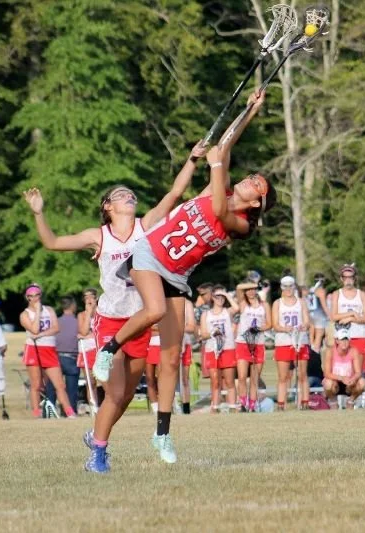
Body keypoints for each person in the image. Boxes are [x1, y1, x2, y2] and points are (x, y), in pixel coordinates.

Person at [93, 91, 274, 465]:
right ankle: (108, 350)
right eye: (252, 176)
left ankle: (161, 436)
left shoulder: (239, 223)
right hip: (148, 255)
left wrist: (216, 165)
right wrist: (250, 110)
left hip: (176, 273)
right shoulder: (216, 185)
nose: (251, 179)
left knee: (172, 358)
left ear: (257, 203)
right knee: (155, 309)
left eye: (258, 184)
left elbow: (220, 204)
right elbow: (224, 144)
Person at [25, 137, 208, 469]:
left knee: (123, 397)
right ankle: (98, 453)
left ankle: (96, 433)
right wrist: (39, 213)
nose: (129, 196)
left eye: (131, 194)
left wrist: (193, 159)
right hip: (111, 322)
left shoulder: (145, 227)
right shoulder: (99, 236)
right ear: (107, 206)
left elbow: (175, 195)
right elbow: (51, 242)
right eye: (121, 194)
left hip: (140, 321)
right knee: (116, 391)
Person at [19, 284, 74, 418]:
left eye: (37, 295)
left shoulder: (49, 310)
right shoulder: (25, 314)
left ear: (40, 296)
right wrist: (37, 312)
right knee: (36, 384)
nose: (35, 299)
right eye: (31, 296)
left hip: (49, 349)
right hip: (34, 349)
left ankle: (69, 412)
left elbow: (56, 328)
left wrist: (42, 335)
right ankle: (36, 413)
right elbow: (35, 329)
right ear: (27, 298)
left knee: (59, 384)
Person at [272, 276, 311, 410]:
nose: (288, 289)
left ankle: (305, 402)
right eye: (285, 286)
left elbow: (307, 321)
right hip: (283, 341)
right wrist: (285, 328)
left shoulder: (301, 302)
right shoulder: (278, 303)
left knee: (302, 374)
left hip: (300, 341)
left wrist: (303, 327)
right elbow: (275, 324)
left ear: (294, 286)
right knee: (283, 376)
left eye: (290, 286)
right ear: (282, 287)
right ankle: (281, 404)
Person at [200, 286, 238, 412]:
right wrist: (213, 333)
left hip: (227, 348)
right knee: (215, 381)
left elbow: (237, 308)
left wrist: (226, 294)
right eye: (217, 296)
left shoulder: (227, 312)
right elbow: (203, 334)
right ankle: (215, 407)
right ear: (212, 298)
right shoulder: (206, 314)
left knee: (229, 381)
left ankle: (232, 406)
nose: (220, 299)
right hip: (213, 350)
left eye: (222, 297)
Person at [235, 279, 271, 412]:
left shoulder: (264, 305)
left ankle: (252, 404)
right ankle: (243, 403)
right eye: (249, 289)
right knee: (242, 376)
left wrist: (259, 329)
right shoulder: (243, 303)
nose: (251, 291)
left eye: (254, 289)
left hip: (258, 343)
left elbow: (269, 324)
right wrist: (253, 284)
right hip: (243, 343)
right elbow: (239, 287)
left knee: (255, 378)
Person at [330, 264, 365, 356]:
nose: (348, 280)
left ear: (355, 278)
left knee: (358, 369)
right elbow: (333, 317)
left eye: (351, 277)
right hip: (342, 336)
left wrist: (351, 319)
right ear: (341, 278)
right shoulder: (337, 294)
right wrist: (352, 313)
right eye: (345, 277)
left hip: (359, 335)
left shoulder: (361, 295)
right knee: (342, 368)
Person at [322, 329, 365, 409]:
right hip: (335, 382)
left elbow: (358, 372)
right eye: (342, 339)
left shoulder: (353, 351)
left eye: (346, 339)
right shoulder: (330, 352)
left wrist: (353, 379)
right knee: (328, 384)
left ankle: (351, 401)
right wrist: (341, 378)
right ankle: (333, 401)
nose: (344, 342)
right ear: (337, 341)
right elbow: (326, 373)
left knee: (362, 383)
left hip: (349, 382)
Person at [53, 296, 80, 413]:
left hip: (55, 357)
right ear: (73, 306)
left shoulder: (56, 322)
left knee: (53, 387)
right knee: (72, 389)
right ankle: (71, 410)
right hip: (71, 358)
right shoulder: (78, 322)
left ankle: (49, 410)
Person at [77, 288, 100, 407]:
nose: (89, 299)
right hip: (87, 350)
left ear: (96, 298)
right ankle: (93, 407)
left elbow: (101, 331)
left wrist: (91, 335)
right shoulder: (82, 315)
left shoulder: (103, 312)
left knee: (107, 380)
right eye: (86, 297)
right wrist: (88, 313)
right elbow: (84, 332)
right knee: (91, 382)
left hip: (100, 348)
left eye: (91, 296)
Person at [180, 301, 197, 414]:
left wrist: (178, 327)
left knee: (184, 378)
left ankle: (186, 407)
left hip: (185, 343)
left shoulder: (187, 304)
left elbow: (191, 327)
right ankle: (169, 406)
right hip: (169, 344)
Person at [307, 273, 330, 352]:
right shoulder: (321, 290)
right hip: (319, 314)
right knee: (319, 334)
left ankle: (311, 347)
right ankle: (315, 352)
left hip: (311, 313)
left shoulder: (311, 289)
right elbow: (324, 305)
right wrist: (330, 316)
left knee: (312, 334)